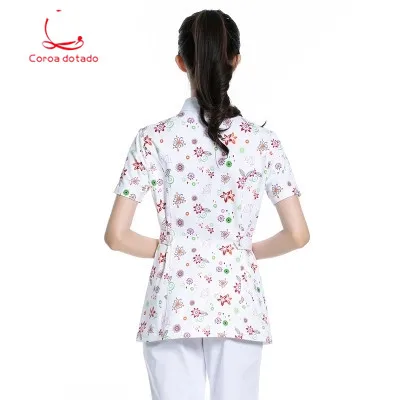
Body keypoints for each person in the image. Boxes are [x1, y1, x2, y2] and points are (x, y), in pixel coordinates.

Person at [104, 8, 310, 400]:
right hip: (239, 306)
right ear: (235, 60)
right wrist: (238, 250)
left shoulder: (152, 139)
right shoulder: (263, 143)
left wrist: (178, 249)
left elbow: (117, 236)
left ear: (182, 62)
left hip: (172, 304)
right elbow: (297, 235)